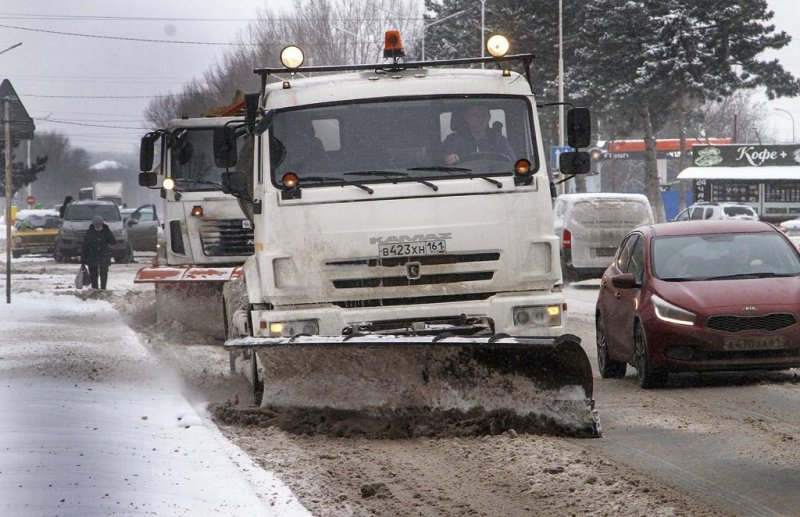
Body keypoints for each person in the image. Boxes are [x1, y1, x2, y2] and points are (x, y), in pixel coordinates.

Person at [441, 104, 514, 165]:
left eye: (483, 114)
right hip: (461, 178)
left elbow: (511, 163)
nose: (480, 118)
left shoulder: (499, 141)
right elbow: (437, 163)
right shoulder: (453, 140)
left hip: (494, 177)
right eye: (475, 114)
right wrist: (447, 158)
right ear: (467, 118)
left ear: (489, 117)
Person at [81, 215, 116, 290]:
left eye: (99, 224)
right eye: (96, 224)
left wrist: (108, 233)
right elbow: (84, 246)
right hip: (92, 256)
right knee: (93, 275)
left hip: (104, 255)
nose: (97, 226)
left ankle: (103, 288)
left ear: (102, 224)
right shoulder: (89, 232)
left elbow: (113, 241)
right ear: (93, 224)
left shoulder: (106, 231)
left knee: (103, 273)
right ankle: (95, 289)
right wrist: (83, 259)